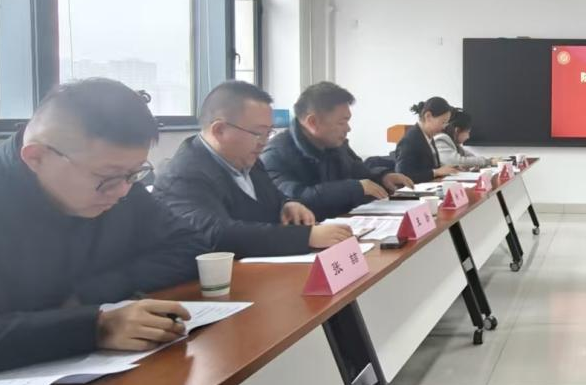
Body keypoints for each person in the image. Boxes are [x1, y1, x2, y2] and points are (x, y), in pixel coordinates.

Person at [0, 79, 206, 380]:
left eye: (135, 173)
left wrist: (94, 292)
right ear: (36, 157)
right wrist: (94, 327)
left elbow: (188, 244)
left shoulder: (117, 183)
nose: (122, 192)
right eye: (107, 176)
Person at [155, 81, 355, 258]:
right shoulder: (184, 175)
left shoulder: (247, 158)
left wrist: (288, 204)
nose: (264, 142)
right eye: (258, 133)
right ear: (219, 130)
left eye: (268, 132)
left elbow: (273, 197)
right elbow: (217, 234)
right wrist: (306, 236)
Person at [261, 81, 411, 219]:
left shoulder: (337, 144)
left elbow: (360, 173)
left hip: (347, 226)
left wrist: (383, 177)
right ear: (313, 122)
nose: (348, 128)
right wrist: (353, 188)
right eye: (341, 122)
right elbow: (295, 198)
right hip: (313, 234)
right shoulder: (275, 155)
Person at [394, 96, 460, 184]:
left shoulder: (428, 137)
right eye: (443, 122)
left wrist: (448, 169)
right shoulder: (410, 140)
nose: (444, 127)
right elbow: (403, 175)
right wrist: (435, 172)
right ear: (428, 116)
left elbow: (429, 167)